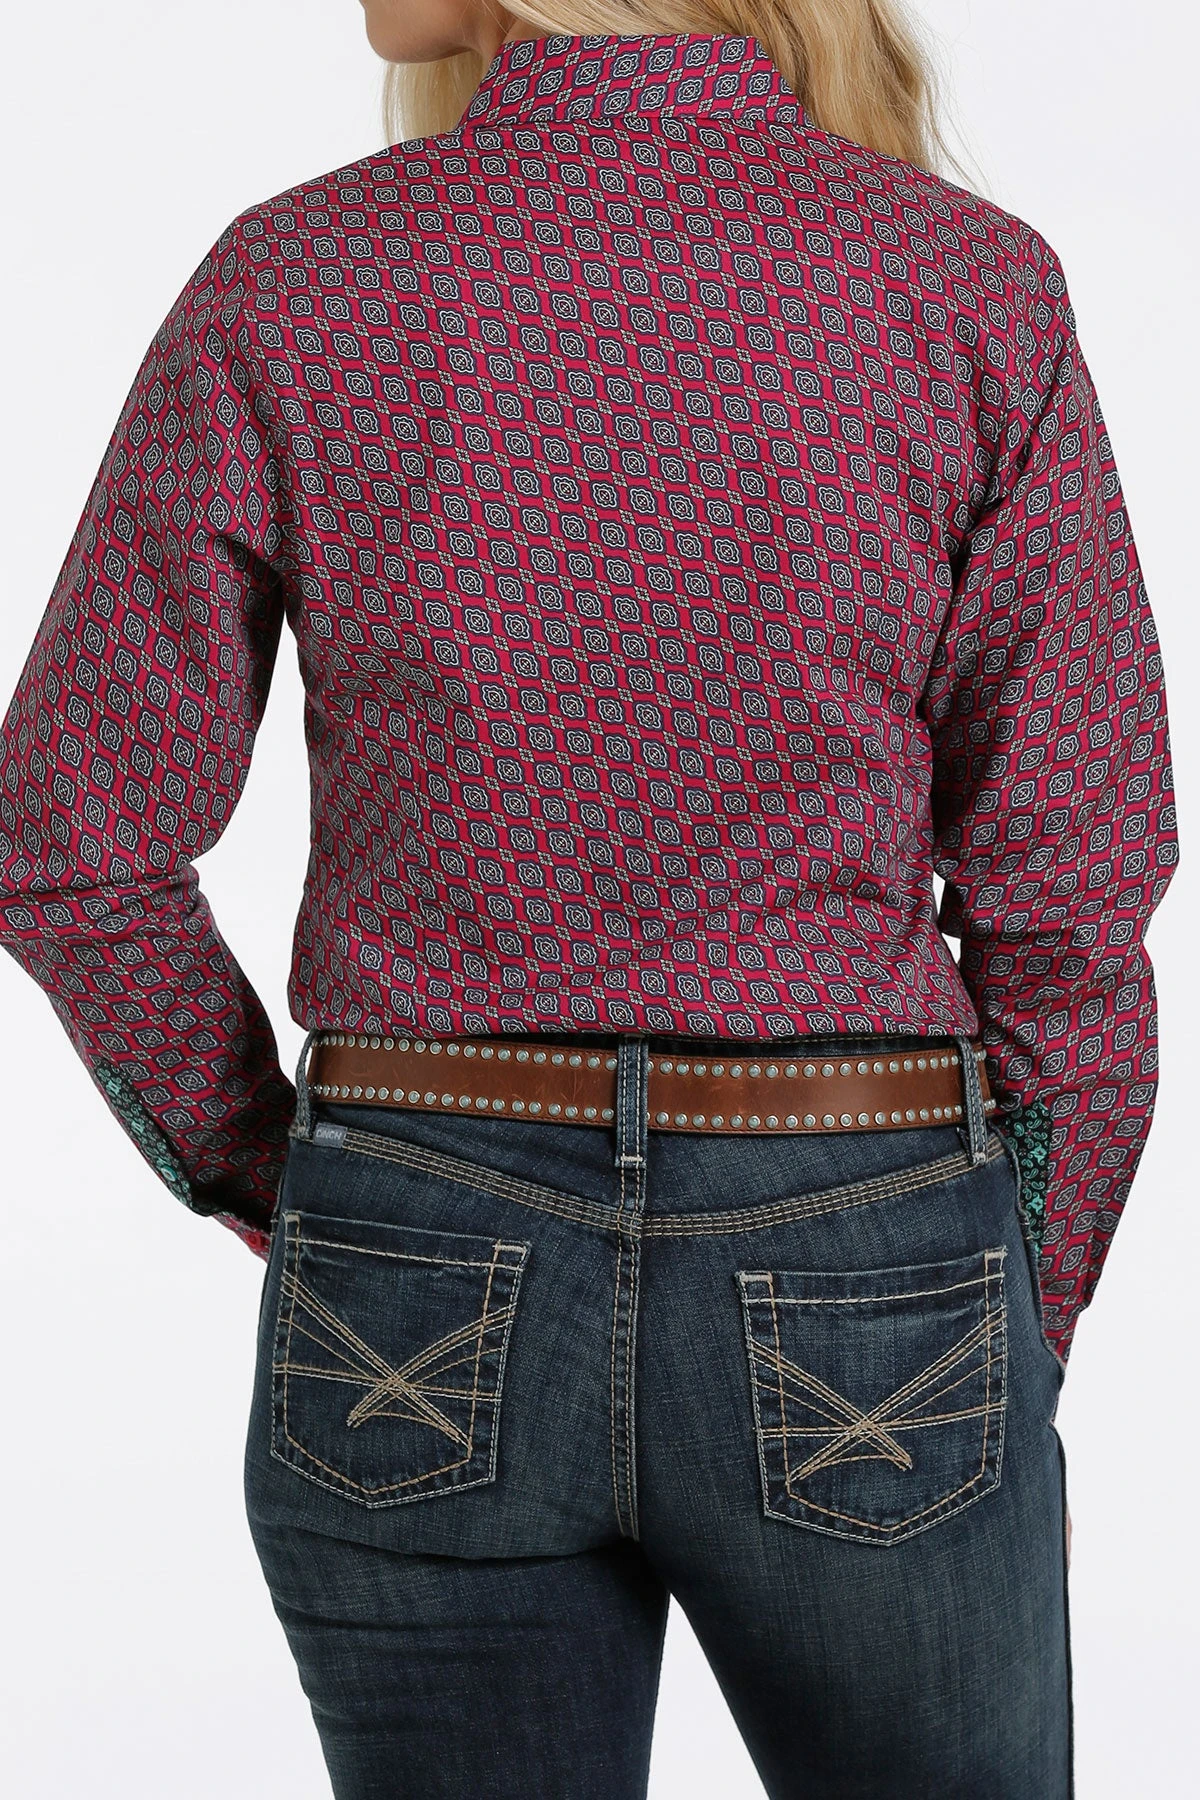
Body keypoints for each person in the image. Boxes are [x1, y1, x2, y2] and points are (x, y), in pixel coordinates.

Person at [0, 2, 1177, 1795]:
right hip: (865, 1255)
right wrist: (1017, 1333)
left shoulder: (298, 278)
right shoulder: (964, 286)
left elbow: (65, 838)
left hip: (414, 1246)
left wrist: (300, 1181)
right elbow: (1073, 894)